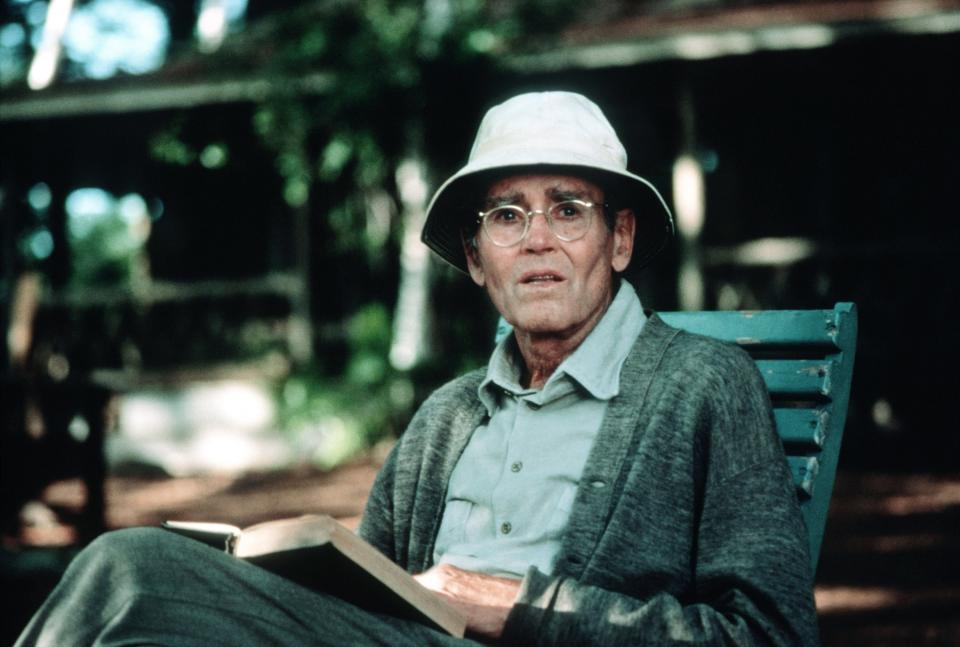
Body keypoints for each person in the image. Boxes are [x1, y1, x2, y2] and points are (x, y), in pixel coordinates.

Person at [16, 91, 818, 646]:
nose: (537, 238)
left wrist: (526, 609)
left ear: (620, 239)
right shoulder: (447, 415)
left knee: (128, 567)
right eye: (507, 216)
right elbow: (363, 599)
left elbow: (770, 633)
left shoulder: (705, 387)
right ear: (476, 258)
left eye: (568, 207)